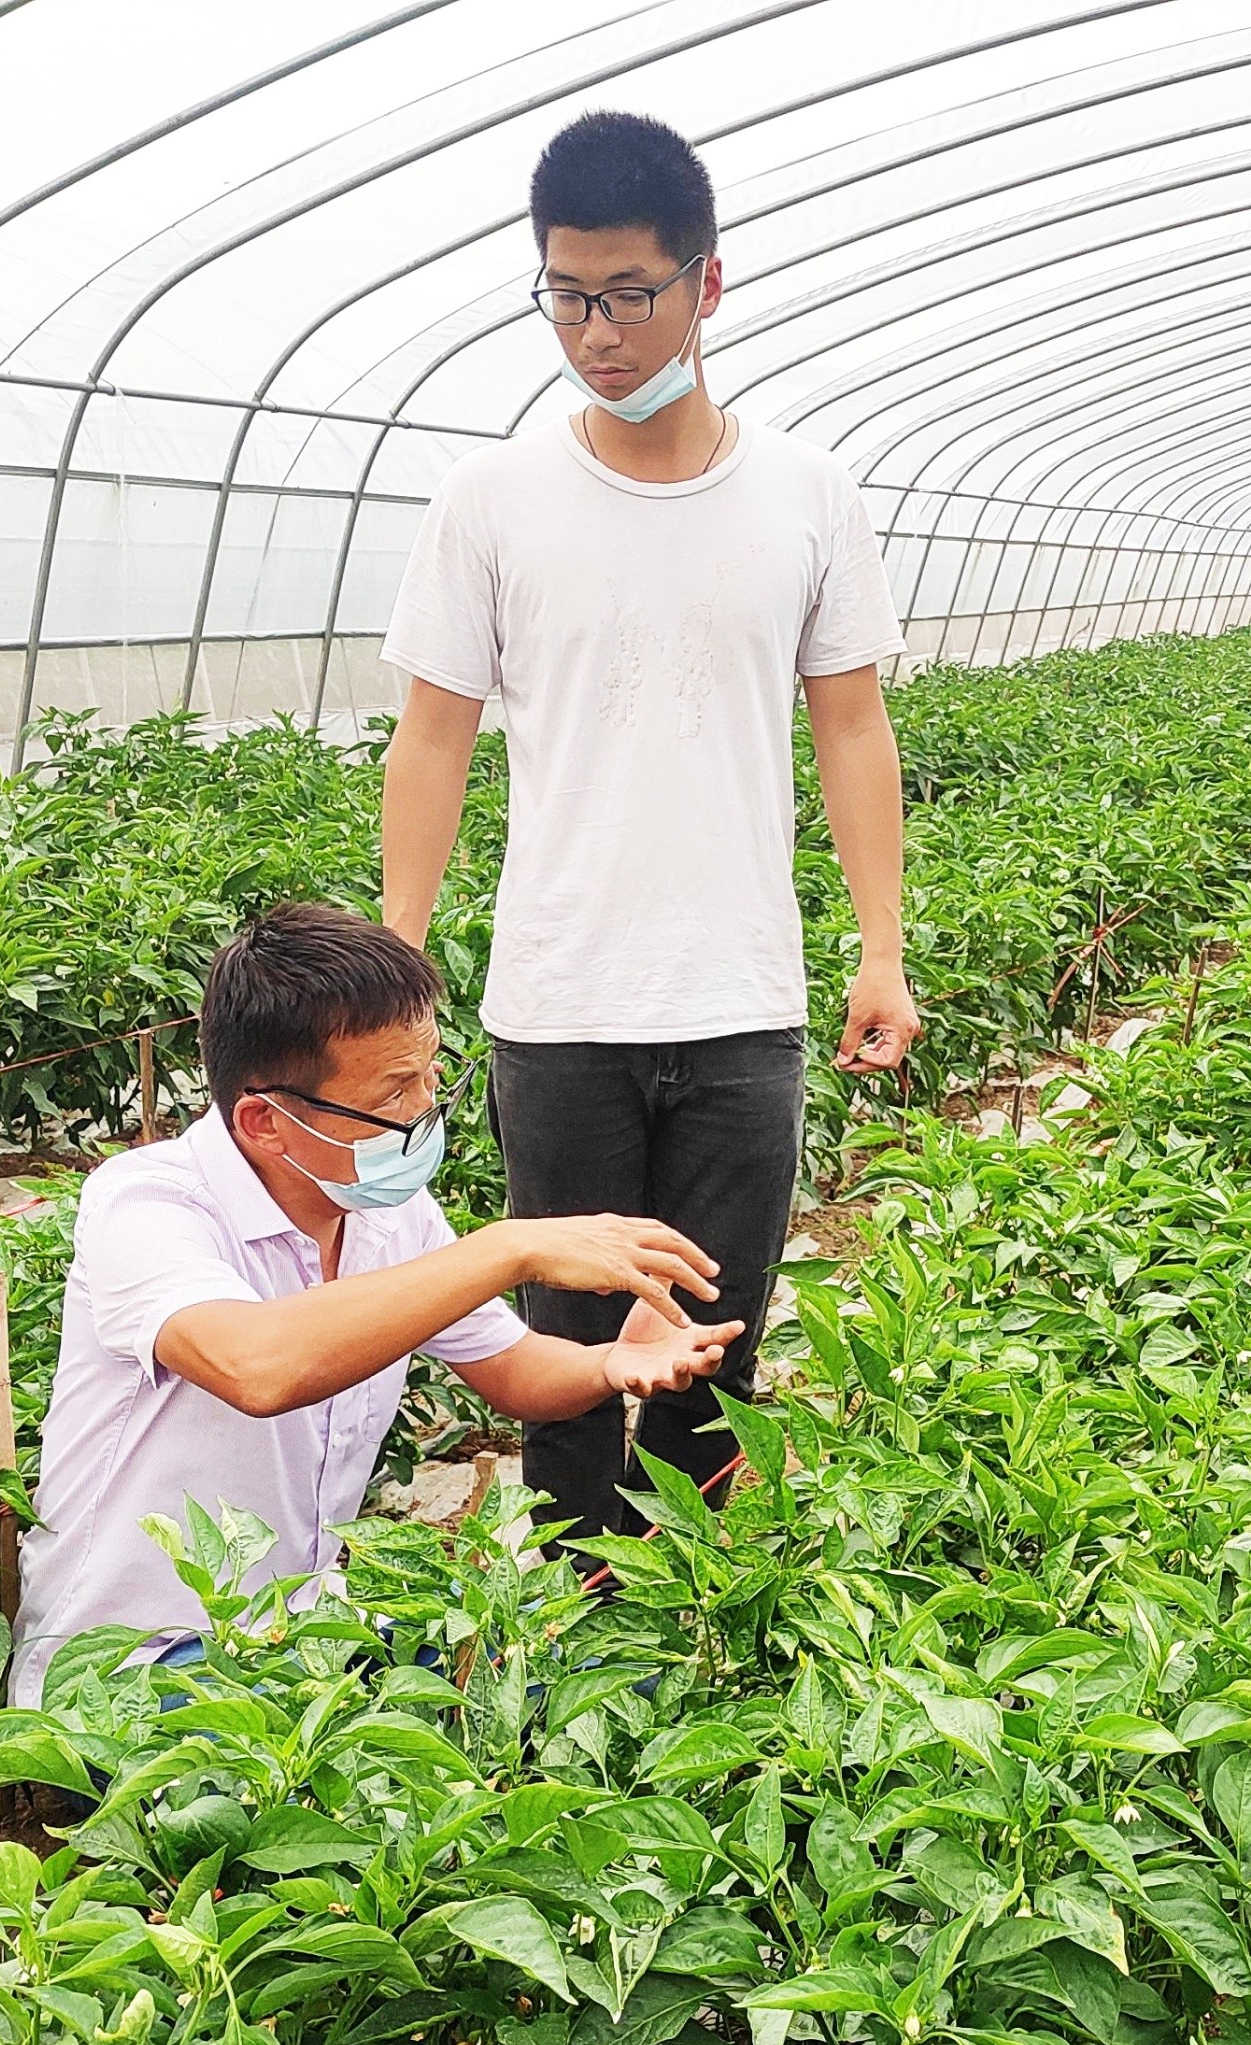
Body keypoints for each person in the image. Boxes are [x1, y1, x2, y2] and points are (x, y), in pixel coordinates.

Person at [375, 107, 917, 1544]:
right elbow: (432, 738)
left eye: (629, 294)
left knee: (712, 1354)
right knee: (565, 1359)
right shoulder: (490, 498)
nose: (598, 332)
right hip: (558, 1005)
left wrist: (883, 951)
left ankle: (698, 1645)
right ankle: (582, 1639)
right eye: (567, 294)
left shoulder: (808, 495)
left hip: (741, 1002)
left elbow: (852, 727)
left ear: (707, 285)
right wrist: (398, 968)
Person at [9, 901, 738, 1704]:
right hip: (133, 1674)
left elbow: (514, 1370)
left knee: (609, 1692)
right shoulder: (147, 1205)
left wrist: (612, 1363)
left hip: (304, 1641)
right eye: (395, 1091)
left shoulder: (386, 1212)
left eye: (432, 1074)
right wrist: (508, 1246)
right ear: (265, 1120)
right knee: (397, 1795)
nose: (426, 1108)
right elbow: (255, 1365)